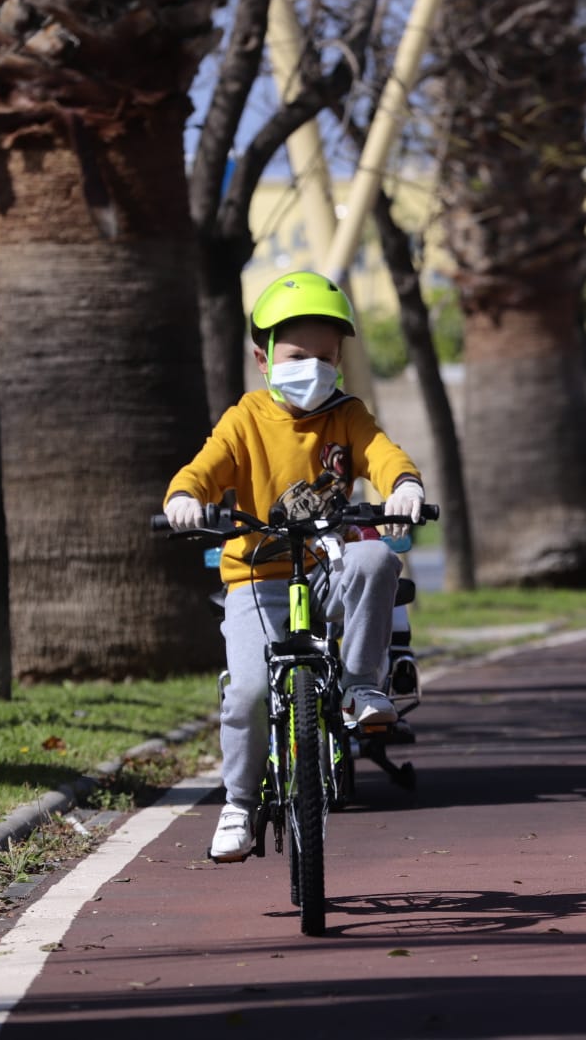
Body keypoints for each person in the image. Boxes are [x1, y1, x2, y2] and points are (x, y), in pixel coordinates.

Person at [163, 270, 426, 863]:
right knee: (251, 691)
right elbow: (204, 469)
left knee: (375, 555)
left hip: (329, 566)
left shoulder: (348, 415)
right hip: (259, 577)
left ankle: (361, 686)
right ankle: (237, 803)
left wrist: (403, 485)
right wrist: (183, 498)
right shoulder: (246, 418)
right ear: (264, 358)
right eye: (299, 355)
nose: (315, 367)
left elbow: (384, 455)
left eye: (327, 357)